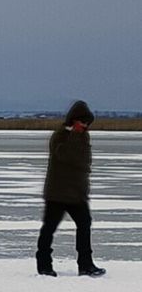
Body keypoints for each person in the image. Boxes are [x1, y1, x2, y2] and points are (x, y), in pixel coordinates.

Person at [37, 101, 105, 277]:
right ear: (74, 120)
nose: (85, 126)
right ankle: (44, 266)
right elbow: (66, 156)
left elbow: (84, 162)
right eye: (82, 122)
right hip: (57, 193)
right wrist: (74, 135)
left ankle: (86, 265)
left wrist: (84, 188)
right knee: (49, 228)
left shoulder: (84, 137)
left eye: (87, 123)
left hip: (76, 193)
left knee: (84, 225)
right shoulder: (59, 136)